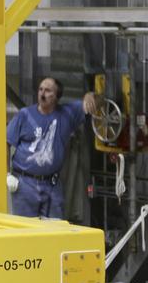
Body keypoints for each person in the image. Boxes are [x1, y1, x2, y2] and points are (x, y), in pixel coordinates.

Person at [7, 77, 97, 218]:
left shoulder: (67, 114)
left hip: (51, 185)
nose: (42, 94)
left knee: (54, 231)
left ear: (57, 96)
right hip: (24, 184)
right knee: (25, 232)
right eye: (40, 89)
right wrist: (6, 175)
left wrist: (90, 96)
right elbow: (5, 143)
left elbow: (97, 102)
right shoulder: (24, 115)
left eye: (48, 90)